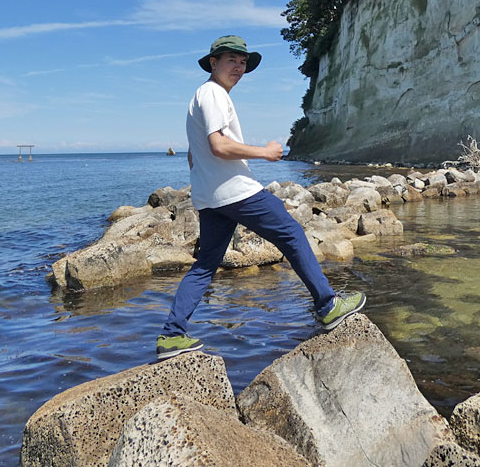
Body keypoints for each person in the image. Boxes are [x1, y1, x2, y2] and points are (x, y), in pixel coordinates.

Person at [156, 35, 366, 360]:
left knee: (205, 265)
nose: (238, 67)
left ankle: (171, 336)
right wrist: (265, 153)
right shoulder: (212, 93)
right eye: (231, 60)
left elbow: (193, 156)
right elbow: (218, 146)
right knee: (293, 234)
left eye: (242, 63)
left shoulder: (202, 97)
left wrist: (204, 185)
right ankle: (328, 305)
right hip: (236, 191)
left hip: (211, 197)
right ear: (213, 63)